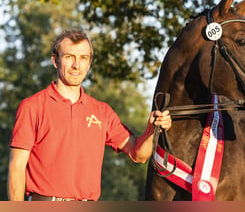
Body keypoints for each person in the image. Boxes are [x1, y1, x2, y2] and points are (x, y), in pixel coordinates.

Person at [7, 28, 172, 201]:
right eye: (69, 56)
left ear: (89, 63)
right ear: (55, 60)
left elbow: (139, 155)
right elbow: (16, 167)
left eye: (83, 58)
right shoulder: (32, 106)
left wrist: (153, 129)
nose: (76, 65)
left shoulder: (102, 111)